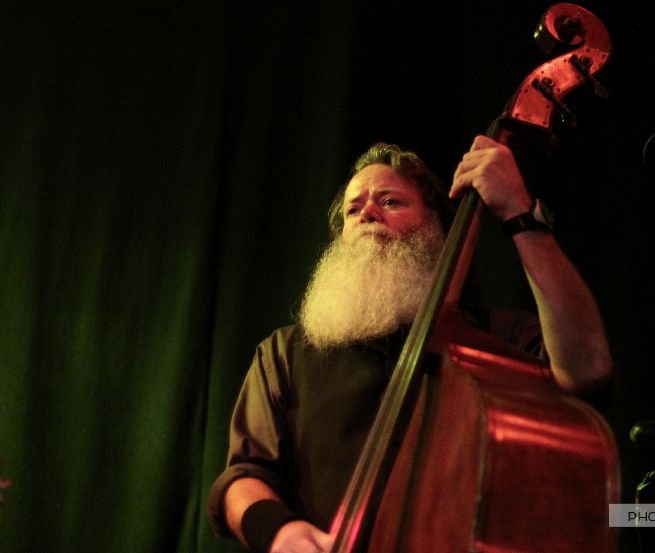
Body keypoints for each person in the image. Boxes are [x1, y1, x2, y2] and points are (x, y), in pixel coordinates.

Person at [207, 135, 612, 553]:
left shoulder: (501, 341)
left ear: (435, 227)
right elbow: (244, 475)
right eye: (353, 208)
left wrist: (518, 213)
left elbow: (586, 369)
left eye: (390, 201)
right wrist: (278, 531)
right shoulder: (284, 354)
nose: (367, 213)